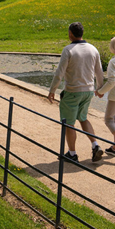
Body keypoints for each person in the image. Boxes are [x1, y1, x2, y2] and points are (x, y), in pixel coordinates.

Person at [48, 22, 104, 163]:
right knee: (83, 118)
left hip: (73, 92)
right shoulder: (93, 49)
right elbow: (99, 72)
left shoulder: (69, 50)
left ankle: (72, 154)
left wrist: (52, 90)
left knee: (69, 123)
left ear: (70, 33)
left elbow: (59, 73)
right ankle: (95, 145)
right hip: (88, 91)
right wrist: (100, 88)